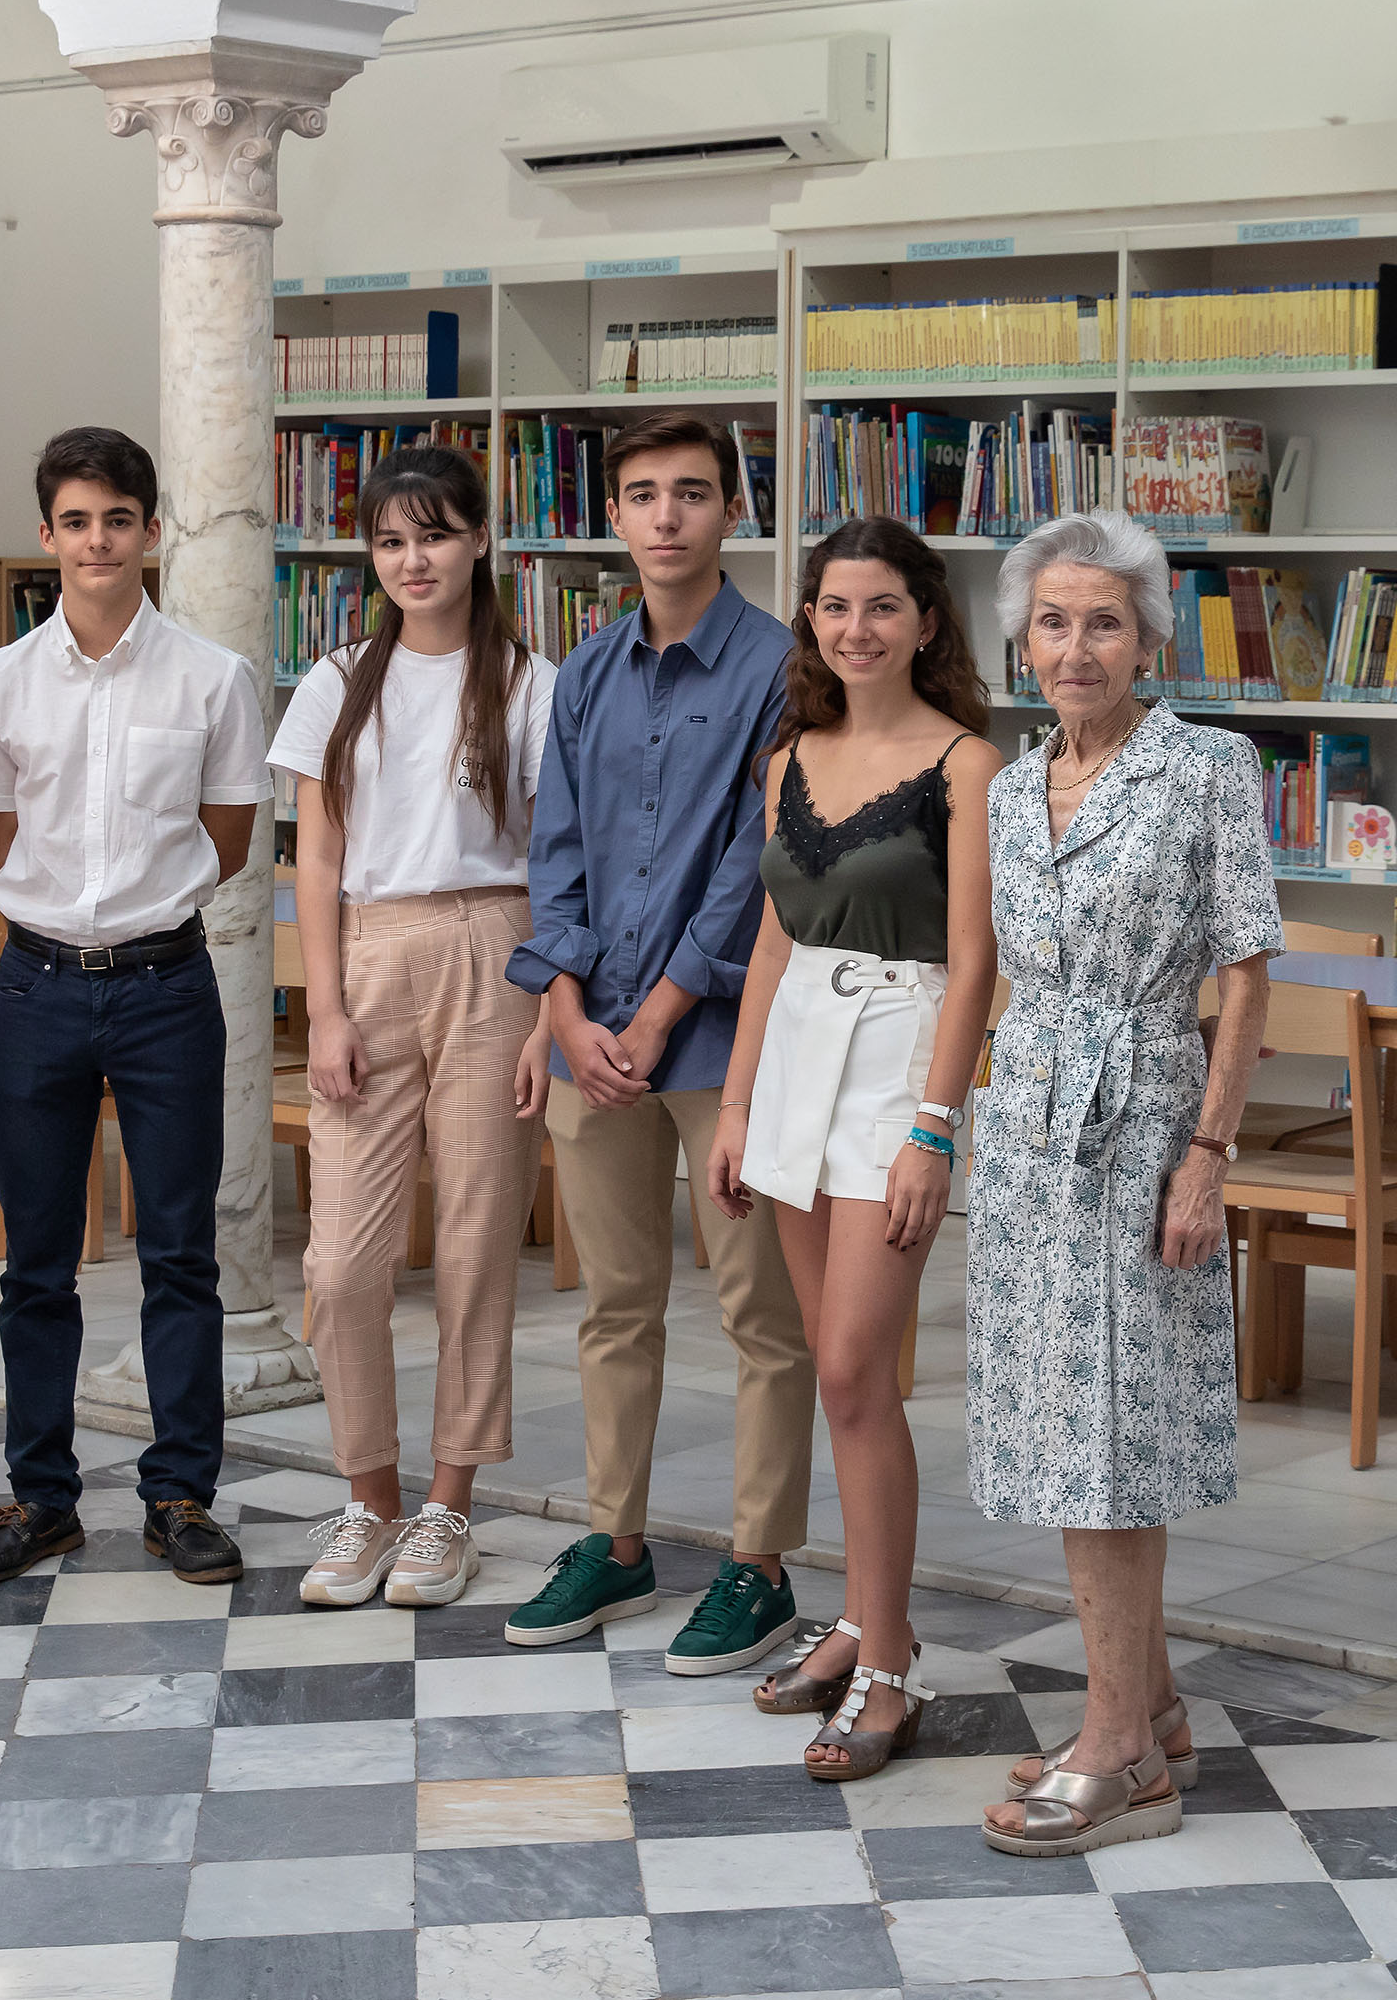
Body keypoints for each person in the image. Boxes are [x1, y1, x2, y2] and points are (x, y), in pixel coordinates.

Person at [969, 511, 1277, 1857]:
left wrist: (1207, 1153)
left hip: (1145, 1116)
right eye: (1052, 620)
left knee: (1108, 1442)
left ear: (1149, 634)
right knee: (1057, 1426)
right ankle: (1145, 1704)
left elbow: (1247, 968)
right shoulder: (1001, 785)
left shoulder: (1206, 766)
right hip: (1024, 1125)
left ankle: (1117, 1756)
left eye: (1102, 620)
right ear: (1019, 641)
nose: (1076, 644)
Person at [500, 412, 815, 1673]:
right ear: (614, 518)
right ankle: (614, 1542)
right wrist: (565, 1005)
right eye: (643, 494)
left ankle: (759, 1565)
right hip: (596, 1033)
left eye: (693, 492)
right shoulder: (583, 673)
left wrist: (661, 1008)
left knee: (761, 1314)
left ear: (733, 512)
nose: (668, 514)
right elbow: (557, 845)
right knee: (614, 1304)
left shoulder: (785, 670)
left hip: (724, 1037)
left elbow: (759, 861)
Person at [0, 427, 267, 1587]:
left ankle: (180, 1493)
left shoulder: (211, 677)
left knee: (180, 1251)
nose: (97, 540)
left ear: (152, 533)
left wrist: (135, 913)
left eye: (118, 520)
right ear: (47, 537)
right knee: (37, 1259)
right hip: (33, 985)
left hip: (166, 986)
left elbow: (223, 840)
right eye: (76, 521)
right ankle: (41, 1498)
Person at [707, 519, 1002, 1780]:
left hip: (898, 1061)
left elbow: (977, 957)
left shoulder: (970, 763)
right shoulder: (791, 757)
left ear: (927, 620)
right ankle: (869, 1618)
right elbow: (773, 945)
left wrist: (938, 1126)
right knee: (838, 1378)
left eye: (883, 606)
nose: (856, 629)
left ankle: (886, 1676)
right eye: (834, 606)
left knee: (850, 1367)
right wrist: (731, 1108)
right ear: (811, 620)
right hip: (793, 1066)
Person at [274, 445, 558, 1609]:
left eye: (434, 534)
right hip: (371, 952)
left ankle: (450, 1507)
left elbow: (554, 857)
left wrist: (546, 1005)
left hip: (498, 945)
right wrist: (324, 1008)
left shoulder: (530, 682)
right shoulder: (336, 678)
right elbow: (318, 855)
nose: (413, 560)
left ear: (480, 539)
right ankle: (368, 1498)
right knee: (342, 1264)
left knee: (483, 1242)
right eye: (390, 541)